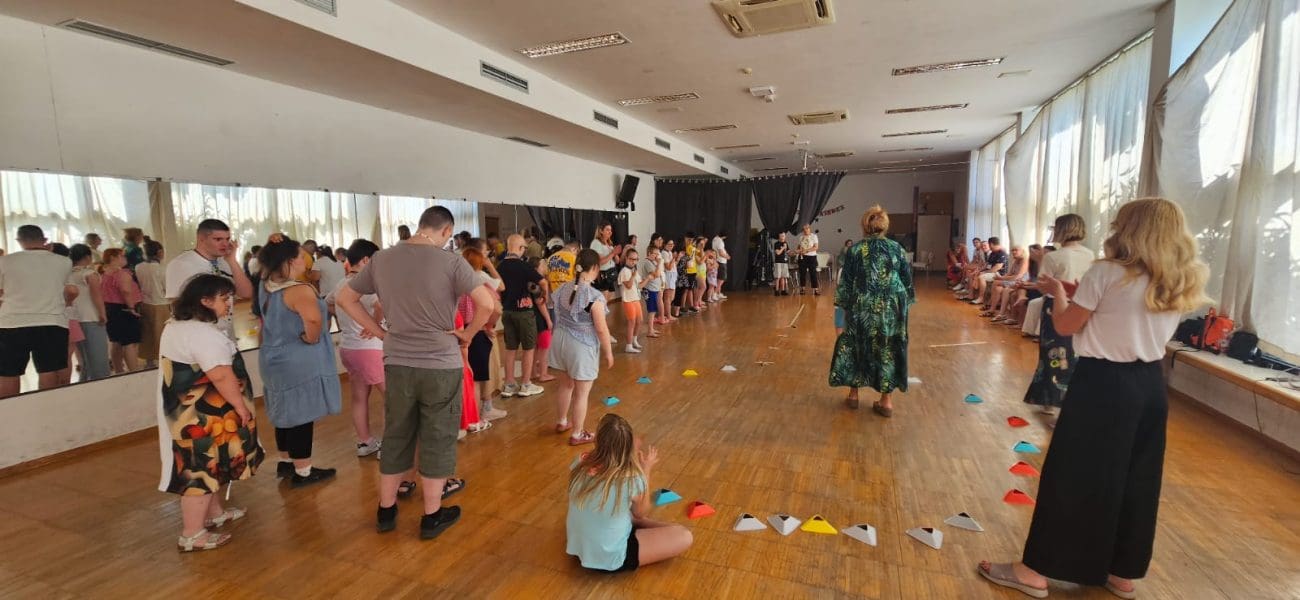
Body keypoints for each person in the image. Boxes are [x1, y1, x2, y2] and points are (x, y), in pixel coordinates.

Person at [978, 198, 1208, 600]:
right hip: (1150, 386)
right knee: (1136, 478)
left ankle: (1034, 570)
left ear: (1131, 229)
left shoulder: (1107, 271)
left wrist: (1058, 294)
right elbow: (1126, 314)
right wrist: (1079, 294)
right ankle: (1122, 571)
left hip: (1104, 383)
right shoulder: (1179, 277)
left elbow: (1066, 324)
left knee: (1070, 475)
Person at [336, 206, 494, 539]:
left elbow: (345, 298)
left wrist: (380, 333)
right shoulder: (451, 262)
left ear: (421, 225)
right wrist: (467, 334)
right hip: (440, 364)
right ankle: (431, 515)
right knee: (437, 436)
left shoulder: (381, 259)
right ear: (447, 231)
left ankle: (386, 509)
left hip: (397, 361)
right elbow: (488, 303)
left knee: (397, 433)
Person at [156, 274, 264, 552]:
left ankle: (214, 513)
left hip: (199, 411)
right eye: (224, 298)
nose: (230, 303)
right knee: (199, 470)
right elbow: (221, 375)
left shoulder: (178, 326)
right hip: (202, 414)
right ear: (204, 301)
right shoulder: (201, 334)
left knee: (213, 464)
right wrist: (240, 406)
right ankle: (192, 535)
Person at [256, 235, 341, 488]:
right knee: (301, 414)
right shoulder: (298, 290)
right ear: (291, 261)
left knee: (284, 410)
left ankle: (286, 461)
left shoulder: (265, 284)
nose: (306, 259)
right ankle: (303, 471)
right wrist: (311, 338)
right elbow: (313, 320)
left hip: (272, 356)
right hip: (297, 358)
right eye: (302, 255)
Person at [566, 413, 693, 572]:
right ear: (627, 447)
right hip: (610, 557)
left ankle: (633, 522)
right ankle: (639, 524)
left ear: (597, 440)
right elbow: (641, 512)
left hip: (579, 549)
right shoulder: (631, 478)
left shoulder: (580, 460)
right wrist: (646, 469)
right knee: (684, 535)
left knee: (616, 508)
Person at [829, 207, 915, 417]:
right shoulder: (897, 249)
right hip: (892, 308)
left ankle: (853, 395)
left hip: (862, 307)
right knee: (888, 348)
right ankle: (886, 402)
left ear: (864, 225)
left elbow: (845, 286)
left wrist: (839, 315)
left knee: (857, 345)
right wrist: (903, 306)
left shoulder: (855, 250)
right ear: (885, 226)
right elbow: (907, 282)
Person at [1023, 214, 1096, 418]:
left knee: (1052, 353)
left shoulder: (1053, 257)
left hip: (1056, 306)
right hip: (1082, 307)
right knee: (1075, 353)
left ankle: (1050, 399)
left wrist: (1040, 262)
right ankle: (1073, 399)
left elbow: (1042, 285)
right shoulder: (1091, 254)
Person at [0, 225, 78, 397]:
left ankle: (8, 409)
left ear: (19, 241)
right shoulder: (63, 261)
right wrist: (65, 303)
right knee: (49, 370)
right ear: (44, 240)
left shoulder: (5, 261)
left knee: (8, 373)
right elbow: (72, 291)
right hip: (52, 321)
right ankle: (47, 407)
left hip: (11, 322)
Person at [326, 239, 385, 457]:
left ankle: (364, 442)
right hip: (370, 349)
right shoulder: (366, 284)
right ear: (366, 260)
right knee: (393, 399)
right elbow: (380, 305)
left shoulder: (342, 284)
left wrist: (349, 320)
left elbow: (329, 303)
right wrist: (373, 325)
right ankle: (391, 447)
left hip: (349, 348)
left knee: (359, 397)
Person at [550, 249, 614, 446]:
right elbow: (601, 329)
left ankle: (562, 421)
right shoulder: (593, 296)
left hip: (560, 340)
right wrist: (608, 352)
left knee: (565, 385)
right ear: (594, 268)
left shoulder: (564, 288)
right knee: (582, 393)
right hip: (580, 346)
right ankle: (577, 434)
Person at [164, 219, 255, 340]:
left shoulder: (225, 262)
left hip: (226, 333)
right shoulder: (180, 264)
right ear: (201, 239)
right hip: (198, 335)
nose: (225, 244)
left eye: (227, 239)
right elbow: (175, 304)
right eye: (218, 239)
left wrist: (232, 261)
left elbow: (246, 293)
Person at [498, 234, 546, 398]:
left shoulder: (500, 266)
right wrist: (545, 296)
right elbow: (542, 282)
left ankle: (509, 384)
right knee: (528, 348)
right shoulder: (523, 266)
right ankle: (526, 384)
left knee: (510, 349)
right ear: (520, 248)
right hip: (524, 312)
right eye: (524, 248)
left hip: (507, 311)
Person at [68, 244, 110, 381]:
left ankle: (85, 383)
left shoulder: (68, 274)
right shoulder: (89, 274)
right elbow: (96, 296)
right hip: (92, 317)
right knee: (98, 358)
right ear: (87, 257)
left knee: (85, 359)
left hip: (74, 318)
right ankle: (101, 384)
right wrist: (102, 313)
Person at [99, 248, 143, 373]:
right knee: (130, 343)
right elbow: (126, 291)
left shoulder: (104, 273)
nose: (125, 258)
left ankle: (119, 370)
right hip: (124, 309)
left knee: (116, 341)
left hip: (110, 308)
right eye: (122, 256)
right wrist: (131, 308)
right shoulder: (121, 273)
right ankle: (134, 371)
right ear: (113, 258)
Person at [136, 240, 169, 367]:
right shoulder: (161, 269)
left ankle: (149, 361)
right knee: (161, 334)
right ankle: (162, 361)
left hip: (145, 303)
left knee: (148, 333)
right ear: (159, 252)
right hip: (160, 303)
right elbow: (167, 288)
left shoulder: (139, 267)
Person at [529, 257, 556, 384]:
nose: (545, 266)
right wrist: (548, 319)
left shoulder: (530, 282)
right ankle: (543, 374)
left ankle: (533, 372)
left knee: (536, 346)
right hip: (540, 317)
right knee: (544, 346)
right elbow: (541, 302)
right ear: (537, 268)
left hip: (533, 316)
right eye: (543, 264)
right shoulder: (538, 283)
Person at [618, 248, 644, 353]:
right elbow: (628, 286)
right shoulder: (624, 271)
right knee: (631, 322)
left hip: (636, 298)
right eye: (631, 259)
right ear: (626, 258)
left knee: (639, 320)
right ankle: (628, 345)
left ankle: (634, 340)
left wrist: (648, 279)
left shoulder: (634, 270)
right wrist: (633, 276)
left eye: (636, 259)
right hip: (628, 300)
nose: (634, 261)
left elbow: (639, 285)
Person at [589, 222, 620, 300]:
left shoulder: (609, 243)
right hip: (602, 275)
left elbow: (617, 261)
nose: (610, 232)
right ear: (601, 231)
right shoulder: (596, 243)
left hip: (610, 274)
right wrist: (613, 253)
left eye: (611, 230)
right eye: (607, 230)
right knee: (603, 299)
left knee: (611, 296)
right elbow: (600, 262)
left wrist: (616, 253)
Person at [638, 246, 663, 336]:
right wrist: (659, 263)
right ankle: (650, 331)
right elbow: (656, 274)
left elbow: (658, 274)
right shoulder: (647, 263)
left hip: (654, 289)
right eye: (655, 254)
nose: (657, 256)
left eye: (658, 254)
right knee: (652, 310)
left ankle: (651, 329)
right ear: (649, 253)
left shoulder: (653, 262)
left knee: (653, 310)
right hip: (650, 289)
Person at [796, 223, 820, 295]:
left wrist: (806, 250)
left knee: (813, 273)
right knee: (802, 273)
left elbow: (816, 247)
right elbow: (799, 247)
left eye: (807, 228)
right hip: (802, 257)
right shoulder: (801, 237)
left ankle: (816, 289)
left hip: (812, 257)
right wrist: (797, 250)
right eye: (804, 229)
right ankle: (802, 289)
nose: (805, 230)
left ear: (809, 229)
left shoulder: (814, 236)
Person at [661, 240, 679, 321]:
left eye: (672, 244)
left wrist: (676, 258)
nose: (671, 245)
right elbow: (668, 267)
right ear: (665, 244)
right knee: (668, 298)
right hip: (668, 276)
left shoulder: (670, 253)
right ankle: (668, 315)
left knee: (671, 297)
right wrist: (674, 258)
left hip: (672, 276)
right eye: (669, 244)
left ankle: (666, 314)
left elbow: (673, 265)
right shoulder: (664, 253)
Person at [711, 231, 730, 299]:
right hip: (721, 261)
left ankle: (718, 293)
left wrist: (726, 254)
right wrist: (727, 257)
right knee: (721, 279)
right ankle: (714, 294)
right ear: (724, 236)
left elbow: (722, 250)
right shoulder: (720, 241)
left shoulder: (715, 239)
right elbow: (721, 253)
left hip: (718, 261)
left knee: (719, 278)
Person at [772, 232, 790, 296]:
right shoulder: (776, 244)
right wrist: (783, 248)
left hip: (784, 262)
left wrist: (795, 252)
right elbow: (778, 253)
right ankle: (776, 290)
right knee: (778, 277)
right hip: (778, 262)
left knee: (783, 277)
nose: (783, 237)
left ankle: (783, 290)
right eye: (781, 236)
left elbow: (788, 252)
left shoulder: (786, 243)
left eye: (784, 236)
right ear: (779, 236)